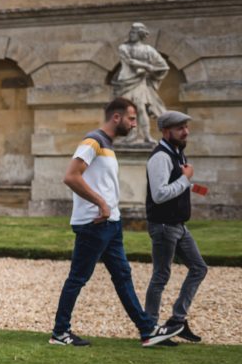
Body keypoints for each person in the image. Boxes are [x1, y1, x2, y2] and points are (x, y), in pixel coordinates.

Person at [50, 97, 182, 347]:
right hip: (94, 223)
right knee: (78, 278)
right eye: (132, 118)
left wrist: (109, 208)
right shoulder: (93, 141)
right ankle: (60, 332)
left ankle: (147, 331)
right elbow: (70, 176)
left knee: (123, 276)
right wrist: (100, 203)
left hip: (110, 224)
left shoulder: (107, 145)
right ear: (117, 117)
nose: (135, 124)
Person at [144, 111, 207, 343]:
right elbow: (160, 194)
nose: (186, 132)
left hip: (178, 225)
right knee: (160, 276)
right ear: (166, 131)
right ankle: (149, 327)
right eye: (180, 128)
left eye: (186, 127)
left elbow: (181, 184)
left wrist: (200, 188)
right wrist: (185, 178)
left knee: (199, 268)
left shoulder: (177, 154)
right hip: (163, 225)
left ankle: (177, 321)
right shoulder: (160, 157)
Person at [111, 22, 170, 145]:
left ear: (140, 34)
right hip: (126, 82)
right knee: (125, 110)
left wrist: (149, 71)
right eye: (130, 32)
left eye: (134, 32)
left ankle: (146, 136)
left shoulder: (149, 50)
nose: (131, 34)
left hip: (141, 83)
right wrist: (146, 66)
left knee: (141, 109)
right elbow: (129, 61)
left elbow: (163, 67)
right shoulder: (124, 47)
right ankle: (128, 135)